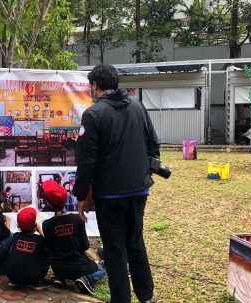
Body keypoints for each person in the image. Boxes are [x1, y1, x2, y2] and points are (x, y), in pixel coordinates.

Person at [73, 64, 159, 303]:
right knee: (135, 241)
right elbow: (153, 142)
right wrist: (145, 174)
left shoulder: (93, 114)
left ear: (95, 85)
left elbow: (87, 161)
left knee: (114, 248)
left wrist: (80, 195)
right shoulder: (137, 105)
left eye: (90, 86)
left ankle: (121, 299)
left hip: (110, 194)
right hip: (139, 189)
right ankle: (146, 295)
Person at [41, 180, 105, 295]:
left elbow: (51, 249)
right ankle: (86, 279)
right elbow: (85, 246)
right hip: (79, 266)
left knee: (62, 266)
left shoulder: (46, 224)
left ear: (49, 204)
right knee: (101, 271)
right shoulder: (77, 219)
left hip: (58, 266)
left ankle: (59, 277)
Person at [6, 207, 52, 290]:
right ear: (35, 226)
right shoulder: (40, 240)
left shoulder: (16, 236)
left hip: (11, 276)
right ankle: (39, 281)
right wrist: (40, 229)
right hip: (32, 278)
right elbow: (50, 242)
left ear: (18, 225)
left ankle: (14, 281)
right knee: (48, 249)